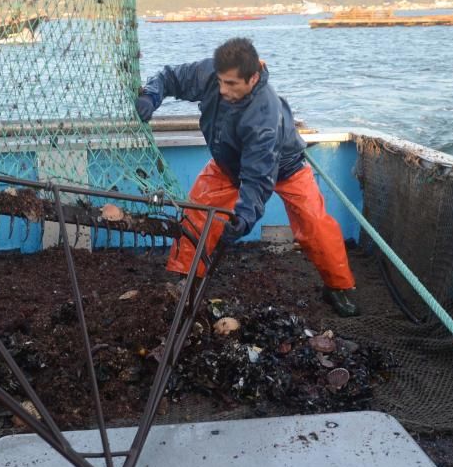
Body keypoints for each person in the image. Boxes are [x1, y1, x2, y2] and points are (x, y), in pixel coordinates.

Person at [135, 38, 358, 317]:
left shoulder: (264, 116)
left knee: (314, 223)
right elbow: (169, 77)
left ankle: (338, 287)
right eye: (220, 81)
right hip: (228, 163)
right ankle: (187, 279)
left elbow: (257, 177)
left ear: (253, 79)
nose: (222, 89)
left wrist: (244, 218)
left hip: (283, 168)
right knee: (196, 213)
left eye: (231, 85)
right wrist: (151, 96)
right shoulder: (213, 73)